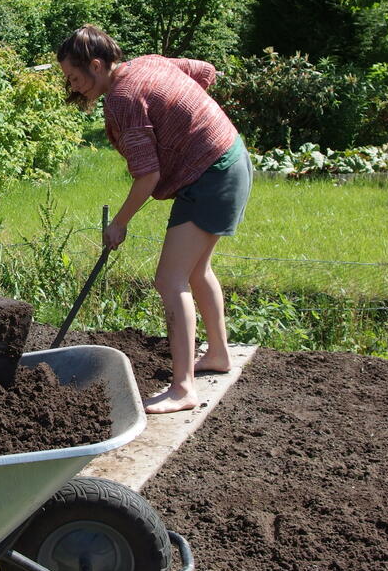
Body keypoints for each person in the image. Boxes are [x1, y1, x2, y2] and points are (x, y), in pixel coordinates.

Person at [57, 24, 253, 414]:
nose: (74, 87)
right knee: (196, 271)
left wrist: (119, 224)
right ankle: (217, 354)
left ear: (97, 65)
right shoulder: (148, 63)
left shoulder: (123, 100)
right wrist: (185, 122)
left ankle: (183, 388)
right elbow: (205, 71)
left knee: (169, 278)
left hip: (212, 176)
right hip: (229, 160)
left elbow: (148, 175)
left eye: (75, 78)